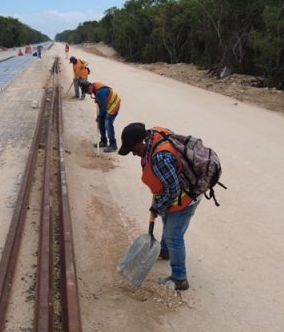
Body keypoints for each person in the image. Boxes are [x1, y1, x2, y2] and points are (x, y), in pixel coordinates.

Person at [116, 122, 199, 291]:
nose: (133, 154)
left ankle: (179, 279)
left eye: (133, 149)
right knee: (167, 219)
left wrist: (157, 207)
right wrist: (158, 205)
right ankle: (165, 251)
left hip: (186, 197)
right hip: (175, 194)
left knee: (173, 236)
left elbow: (173, 190)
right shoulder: (151, 138)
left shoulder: (160, 157)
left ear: (142, 142)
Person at [81, 81, 121, 152]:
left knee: (107, 123)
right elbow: (103, 103)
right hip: (107, 104)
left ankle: (113, 145)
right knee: (101, 122)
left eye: (87, 91)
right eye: (85, 92)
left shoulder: (100, 92)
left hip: (114, 104)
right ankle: (103, 141)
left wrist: (99, 116)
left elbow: (104, 106)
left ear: (90, 86)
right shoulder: (94, 88)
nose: (87, 93)